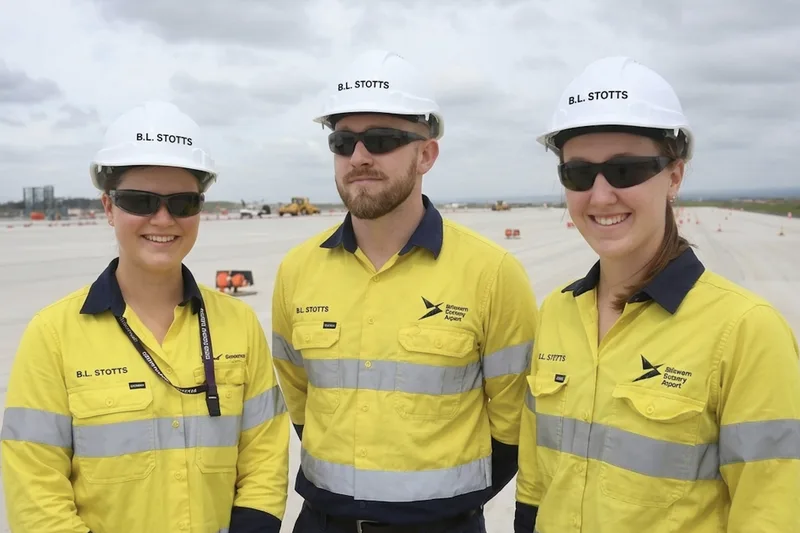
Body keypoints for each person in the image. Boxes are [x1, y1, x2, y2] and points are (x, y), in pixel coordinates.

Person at [514, 56, 800, 533]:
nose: (600, 196)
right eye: (579, 174)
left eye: (625, 171)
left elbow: (773, 510)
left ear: (674, 175)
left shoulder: (746, 332)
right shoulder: (558, 313)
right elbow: (537, 486)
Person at [270, 49, 539, 533]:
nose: (359, 157)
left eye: (383, 139)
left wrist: (437, 505)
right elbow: (301, 401)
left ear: (427, 154)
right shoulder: (297, 271)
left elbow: (514, 424)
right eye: (343, 141)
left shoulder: (492, 274)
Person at [0, 100, 291, 533]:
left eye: (183, 202)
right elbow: (35, 490)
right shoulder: (52, 335)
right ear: (108, 207)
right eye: (140, 200)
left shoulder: (238, 324)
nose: (163, 218)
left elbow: (265, 460)